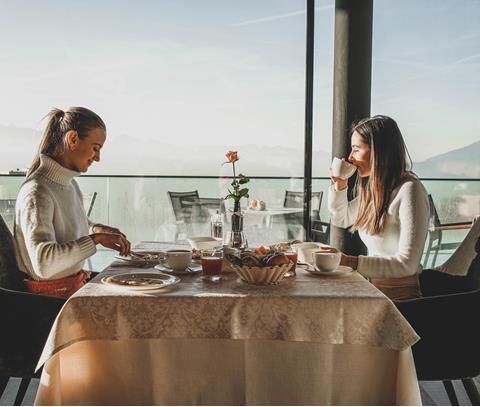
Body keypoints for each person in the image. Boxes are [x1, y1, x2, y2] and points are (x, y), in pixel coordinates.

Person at [14, 107, 131, 297]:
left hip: (72, 288)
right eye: (96, 148)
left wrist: (95, 229)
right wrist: (95, 240)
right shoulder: (37, 191)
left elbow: (66, 227)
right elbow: (44, 263)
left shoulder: (69, 185)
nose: (98, 158)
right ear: (73, 139)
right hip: (48, 303)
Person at [327, 115, 429, 300]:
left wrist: (350, 262)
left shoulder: (409, 189)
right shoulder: (377, 188)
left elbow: (408, 264)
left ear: (378, 151)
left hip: (399, 298)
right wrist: (340, 185)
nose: (350, 157)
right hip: (373, 290)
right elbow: (341, 218)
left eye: (356, 150)